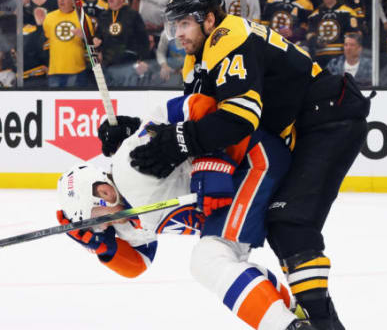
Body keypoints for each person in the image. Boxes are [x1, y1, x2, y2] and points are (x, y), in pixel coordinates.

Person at [107, 0, 370, 330]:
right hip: (307, 126)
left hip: (328, 119)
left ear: (209, 18)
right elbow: (200, 113)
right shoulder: (198, 58)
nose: (178, 33)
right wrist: (135, 131)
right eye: (175, 25)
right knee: (284, 224)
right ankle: (322, 321)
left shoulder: (229, 35)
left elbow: (238, 119)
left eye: (185, 23)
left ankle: (321, 322)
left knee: (290, 222)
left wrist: (178, 141)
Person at [59, 95, 314, 330]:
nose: (102, 229)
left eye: (96, 221)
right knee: (224, 261)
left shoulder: (130, 163)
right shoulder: (127, 219)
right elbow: (139, 263)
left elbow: (197, 105)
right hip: (239, 186)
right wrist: (104, 250)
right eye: (95, 229)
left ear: (103, 192)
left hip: (251, 159)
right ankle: (294, 315)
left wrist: (211, 158)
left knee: (209, 260)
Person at [93, 0, 150, 87]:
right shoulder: (103, 16)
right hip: (108, 64)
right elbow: (98, 37)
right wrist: (97, 43)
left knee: (127, 97)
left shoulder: (133, 15)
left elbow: (144, 39)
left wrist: (144, 60)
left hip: (128, 63)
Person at [42, 0, 89, 88]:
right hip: (54, 71)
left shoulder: (82, 18)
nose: (61, 0)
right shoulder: (49, 18)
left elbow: (93, 44)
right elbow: (45, 41)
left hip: (77, 70)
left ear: (73, 0)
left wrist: (85, 37)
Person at [306, 0, 362, 67]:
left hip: (340, 56)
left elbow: (354, 34)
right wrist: (316, 40)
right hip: (320, 57)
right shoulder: (314, 15)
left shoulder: (347, 12)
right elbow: (309, 34)